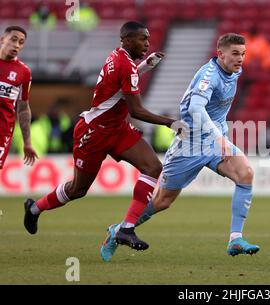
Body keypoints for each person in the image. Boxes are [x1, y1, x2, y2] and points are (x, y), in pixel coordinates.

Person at [23, 21, 186, 253]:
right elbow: (136, 111)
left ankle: (126, 228)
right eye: (142, 39)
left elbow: (121, 83)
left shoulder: (119, 57)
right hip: (94, 133)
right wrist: (171, 123)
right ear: (127, 40)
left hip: (116, 129)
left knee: (152, 167)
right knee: (78, 190)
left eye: (148, 38)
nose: (148, 43)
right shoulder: (125, 65)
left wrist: (145, 67)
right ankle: (34, 209)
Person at [101, 33, 260, 262]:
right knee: (162, 201)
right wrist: (220, 139)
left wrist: (218, 138)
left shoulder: (234, 70)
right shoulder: (209, 75)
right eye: (235, 54)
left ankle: (235, 239)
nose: (240, 59)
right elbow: (196, 108)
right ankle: (119, 231)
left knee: (245, 173)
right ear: (220, 54)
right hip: (189, 144)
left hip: (213, 140)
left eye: (243, 54)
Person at [0, 26, 38, 170]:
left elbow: (23, 109)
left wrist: (27, 142)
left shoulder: (24, 72)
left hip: (2, 131)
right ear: (3, 39)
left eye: (21, 42)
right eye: (13, 39)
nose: (16, 45)